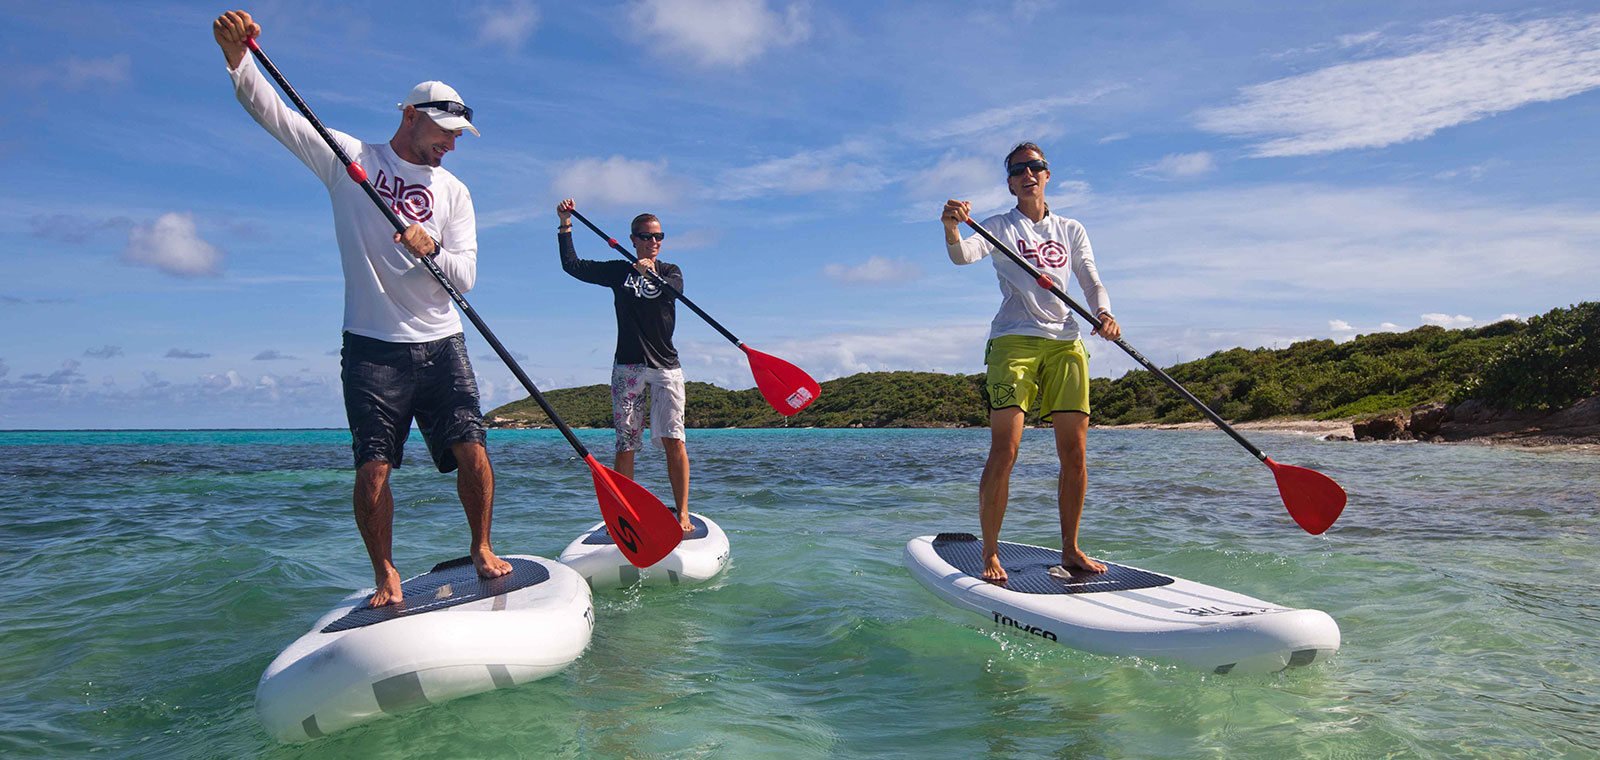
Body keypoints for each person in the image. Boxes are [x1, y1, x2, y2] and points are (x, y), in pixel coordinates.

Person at [214, 10, 511, 607]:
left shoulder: (455, 193)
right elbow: (277, 115)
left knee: (472, 447)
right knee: (374, 467)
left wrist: (432, 249)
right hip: (371, 345)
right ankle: (386, 575)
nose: (451, 145)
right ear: (409, 116)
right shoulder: (349, 160)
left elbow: (466, 278)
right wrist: (238, 60)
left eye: (456, 137)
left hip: (442, 340)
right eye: (443, 133)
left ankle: (481, 546)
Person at [941, 142, 1123, 583]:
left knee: (1074, 454)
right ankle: (988, 552)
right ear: (1009, 182)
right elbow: (963, 254)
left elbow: (1089, 277)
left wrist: (1104, 314)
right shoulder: (998, 227)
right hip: (1014, 342)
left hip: (1066, 343)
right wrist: (952, 228)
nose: (1028, 173)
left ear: (1046, 175)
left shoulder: (1071, 228)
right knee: (1006, 450)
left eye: (1035, 166)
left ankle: (1071, 548)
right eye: (1018, 169)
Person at [555, 199, 695, 534]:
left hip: (666, 367)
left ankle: (684, 513)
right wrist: (565, 225)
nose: (653, 242)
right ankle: (623, 514)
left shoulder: (671, 272)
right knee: (626, 443)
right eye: (646, 236)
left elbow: (671, 293)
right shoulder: (619, 271)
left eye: (659, 236)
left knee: (674, 439)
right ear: (632, 239)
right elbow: (572, 266)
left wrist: (650, 272)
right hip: (628, 367)